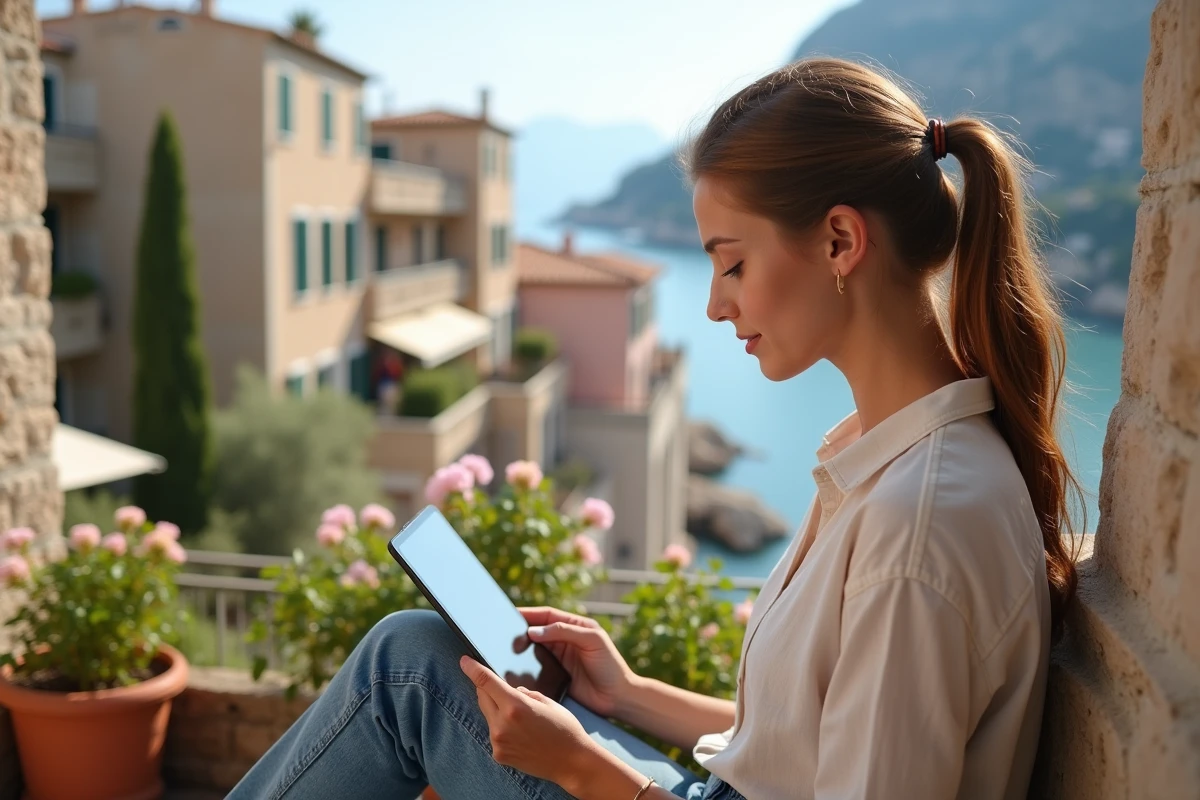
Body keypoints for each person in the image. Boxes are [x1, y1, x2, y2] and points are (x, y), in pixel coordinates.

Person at [229, 57, 1082, 800]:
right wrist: (625, 693)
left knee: (407, 673)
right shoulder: (893, 458)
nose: (715, 304)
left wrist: (584, 769)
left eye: (733, 263)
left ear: (839, 241)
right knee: (417, 651)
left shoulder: (915, 524)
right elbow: (797, 748)